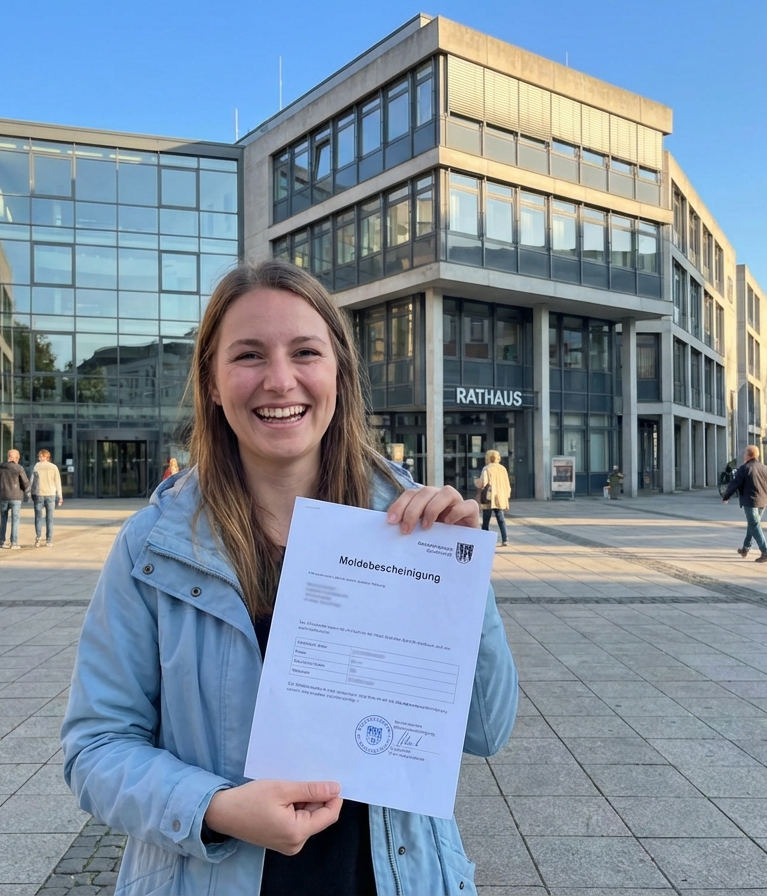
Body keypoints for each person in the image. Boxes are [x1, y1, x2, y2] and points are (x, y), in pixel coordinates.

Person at [61, 260, 518, 896]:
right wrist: (215, 809)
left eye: (305, 351)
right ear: (213, 384)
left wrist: (464, 581)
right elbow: (96, 748)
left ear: (339, 374)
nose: (280, 381)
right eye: (249, 355)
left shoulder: (413, 531)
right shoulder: (154, 546)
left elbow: (486, 731)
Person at [722, 444, 767, 563]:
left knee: (754, 525)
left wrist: (726, 496)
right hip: (763, 502)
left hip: (750, 501)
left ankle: (765, 551)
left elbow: (735, 484)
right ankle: (745, 548)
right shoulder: (765, 468)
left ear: (748, 455)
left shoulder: (744, 468)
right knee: (753, 524)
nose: (744, 456)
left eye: (745, 454)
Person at [0, 449, 29, 549]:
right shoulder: (19, 468)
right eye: (18, 457)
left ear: (8, 457)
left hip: (3, 496)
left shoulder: (0, 468)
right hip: (16, 497)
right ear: (16, 458)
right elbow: (25, 483)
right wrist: (25, 491)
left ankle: (2, 541)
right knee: (15, 520)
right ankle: (14, 542)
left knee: (3, 519)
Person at [475, 449, 511, 546]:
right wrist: (507, 495)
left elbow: (484, 482)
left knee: (486, 519)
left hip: (489, 497)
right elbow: (507, 483)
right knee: (500, 518)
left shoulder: (487, 468)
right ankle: (505, 538)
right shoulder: (503, 469)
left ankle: (484, 539)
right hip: (500, 496)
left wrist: (476, 481)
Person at [29, 449, 63, 547]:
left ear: (45, 457)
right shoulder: (54, 467)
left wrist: (29, 493)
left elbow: (32, 481)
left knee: (38, 517)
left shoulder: (37, 466)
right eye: (39, 456)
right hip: (51, 494)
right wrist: (59, 495)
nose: (39, 458)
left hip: (39, 494)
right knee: (50, 518)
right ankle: (49, 540)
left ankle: (38, 537)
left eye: (40, 456)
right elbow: (57, 482)